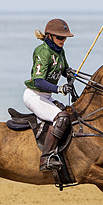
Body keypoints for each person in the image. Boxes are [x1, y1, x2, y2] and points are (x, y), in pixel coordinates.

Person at [23, 18, 76, 172]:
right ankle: (46, 158)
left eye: (65, 37)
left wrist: (69, 73)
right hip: (34, 95)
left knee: (69, 114)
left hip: (46, 96)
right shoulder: (42, 51)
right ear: (50, 36)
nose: (63, 40)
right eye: (60, 37)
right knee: (61, 118)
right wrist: (59, 89)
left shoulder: (60, 51)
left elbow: (64, 70)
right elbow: (38, 81)